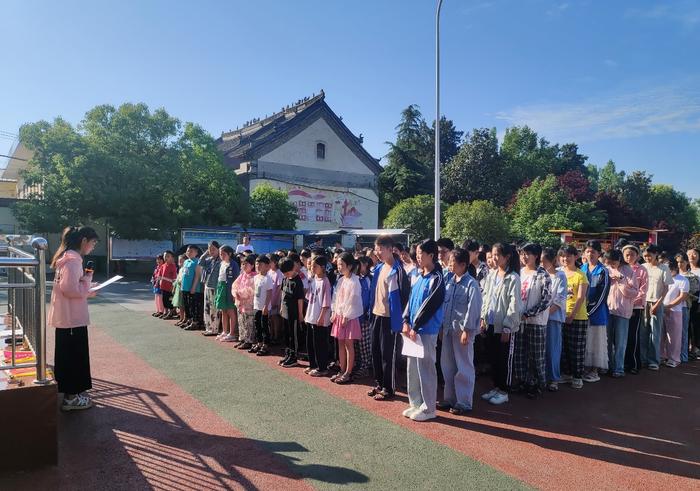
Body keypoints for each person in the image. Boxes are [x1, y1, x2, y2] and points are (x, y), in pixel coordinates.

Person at [48, 226, 99, 411]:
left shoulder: (67, 258)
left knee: (68, 356)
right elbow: (70, 290)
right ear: (84, 240)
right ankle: (71, 398)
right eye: (93, 243)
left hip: (67, 317)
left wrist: (86, 283)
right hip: (72, 318)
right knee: (74, 357)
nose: (92, 247)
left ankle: (72, 394)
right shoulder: (73, 261)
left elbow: (71, 287)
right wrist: (88, 289)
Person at [402, 239, 445, 421]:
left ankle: (428, 408)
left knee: (426, 368)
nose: (418, 257)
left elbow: (430, 305)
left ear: (431, 255)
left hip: (426, 331)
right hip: (413, 331)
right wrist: (405, 320)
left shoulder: (437, 279)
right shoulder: (419, 276)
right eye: (417, 253)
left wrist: (416, 325)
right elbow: (411, 301)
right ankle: (415, 403)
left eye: (421, 253)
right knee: (413, 367)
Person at [438, 248, 482, 415]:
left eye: (452, 263)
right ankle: (449, 398)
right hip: (448, 329)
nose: (449, 266)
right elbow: (444, 305)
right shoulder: (449, 281)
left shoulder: (471, 284)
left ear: (463, 265)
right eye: (449, 263)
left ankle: (464, 402)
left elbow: (474, 309)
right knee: (447, 365)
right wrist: (442, 327)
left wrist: (467, 330)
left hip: (462, 331)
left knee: (464, 366)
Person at [367, 235, 410, 401]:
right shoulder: (379, 268)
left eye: (380, 249)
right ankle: (379, 384)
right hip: (376, 314)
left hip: (390, 318)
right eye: (376, 249)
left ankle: (388, 388)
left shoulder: (398, 270)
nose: (377, 252)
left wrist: (400, 320)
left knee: (388, 354)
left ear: (390, 249)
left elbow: (404, 296)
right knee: (375, 350)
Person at [480, 243, 523, 405]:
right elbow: (486, 298)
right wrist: (483, 318)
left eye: (498, 255)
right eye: (493, 254)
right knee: (493, 358)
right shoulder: (491, 275)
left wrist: (508, 326)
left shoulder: (513, 278)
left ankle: (504, 390)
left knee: (504, 358)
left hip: (504, 327)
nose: (495, 258)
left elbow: (514, 305)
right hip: (491, 324)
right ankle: (496, 387)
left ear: (507, 257)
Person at [515, 243, 552, 399]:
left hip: (536, 322)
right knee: (520, 352)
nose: (524, 257)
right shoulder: (519, 272)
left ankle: (536, 383)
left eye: (527, 254)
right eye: (522, 253)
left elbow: (546, 300)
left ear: (536, 256)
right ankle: (522, 380)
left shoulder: (543, 275)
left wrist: (529, 313)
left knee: (535, 354)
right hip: (519, 320)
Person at [331, 253, 364, 384]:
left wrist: (347, 315)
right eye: (338, 264)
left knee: (349, 344)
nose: (339, 267)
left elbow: (353, 300)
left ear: (349, 266)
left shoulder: (355, 280)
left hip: (349, 317)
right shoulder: (340, 280)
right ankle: (342, 369)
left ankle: (348, 372)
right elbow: (336, 297)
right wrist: (334, 312)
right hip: (340, 315)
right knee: (340, 343)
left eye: (342, 265)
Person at [605, 249, 639, 377]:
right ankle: (608, 365)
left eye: (613, 262)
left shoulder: (628, 271)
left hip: (622, 311)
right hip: (608, 309)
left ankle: (619, 368)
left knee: (620, 341)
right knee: (607, 340)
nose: (611, 265)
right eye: (609, 263)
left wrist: (621, 280)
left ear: (619, 259)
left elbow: (635, 292)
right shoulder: (606, 269)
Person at [559, 245, 589, 389]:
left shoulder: (580, 274)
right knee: (563, 347)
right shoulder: (559, 273)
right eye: (563, 256)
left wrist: (572, 315)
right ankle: (567, 373)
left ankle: (577, 376)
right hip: (560, 316)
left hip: (578, 317)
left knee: (576, 348)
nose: (565, 259)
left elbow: (580, 298)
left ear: (575, 257)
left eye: (568, 256)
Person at [581, 240, 610, 382]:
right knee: (585, 341)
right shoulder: (581, 268)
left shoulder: (603, 270)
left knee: (596, 341)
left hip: (597, 313)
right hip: (581, 312)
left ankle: (594, 370)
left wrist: (589, 310)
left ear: (599, 253)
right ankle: (585, 368)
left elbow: (602, 295)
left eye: (593, 251)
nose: (590, 254)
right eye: (587, 251)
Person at [641, 245, 674, 371]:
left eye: (649, 255)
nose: (647, 258)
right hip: (643, 303)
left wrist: (657, 304)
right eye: (645, 256)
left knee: (655, 332)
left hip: (656, 303)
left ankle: (654, 360)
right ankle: (642, 358)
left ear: (656, 254)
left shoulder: (663, 268)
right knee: (643, 332)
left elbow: (666, 289)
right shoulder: (643, 267)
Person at [302, 256, 333, 376]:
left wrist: (321, 317)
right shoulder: (314, 279)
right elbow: (309, 298)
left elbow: (326, 302)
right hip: (311, 315)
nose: (312, 268)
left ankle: (322, 367)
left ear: (323, 267)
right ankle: (313, 364)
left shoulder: (325, 281)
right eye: (311, 266)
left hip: (320, 317)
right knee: (310, 342)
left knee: (319, 343)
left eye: (315, 266)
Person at [541, 247, 567, 392]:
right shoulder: (541, 275)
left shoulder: (560, 276)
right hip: (540, 318)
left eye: (544, 261)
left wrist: (545, 314)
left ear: (552, 260)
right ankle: (542, 376)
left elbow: (559, 300)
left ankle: (553, 378)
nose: (542, 264)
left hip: (553, 318)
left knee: (553, 349)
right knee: (541, 349)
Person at [622, 244, 648, 374]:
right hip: (620, 307)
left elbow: (642, 291)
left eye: (632, 254)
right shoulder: (620, 268)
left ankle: (634, 364)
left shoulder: (642, 270)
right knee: (621, 337)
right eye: (626, 254)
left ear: (637, 256)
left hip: (635, 308)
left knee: (633, 336)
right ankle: (622, 363)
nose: (629, 257)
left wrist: (632, 305)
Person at [661, 259, 689, 368]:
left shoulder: (683, 280)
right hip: (660, 310)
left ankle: (674, 358)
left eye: (669, 268)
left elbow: (683, 296)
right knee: (660, 335)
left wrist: (669, 306)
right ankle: (661, 356)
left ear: (674, 268)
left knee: (674, 336)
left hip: (675, 311)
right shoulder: (663, 279)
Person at [279, 257, 306, 368]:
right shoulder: (285, 279)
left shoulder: (297, 281)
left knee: (293, 335)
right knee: (286, 334)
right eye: (284, 273)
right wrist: (281, 307)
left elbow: (300, 299)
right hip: (285, 310)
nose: (286, 275)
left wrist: (300, 314)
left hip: (294, 312)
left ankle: (294, 357)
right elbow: (283, 293)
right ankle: (288, 354)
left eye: (287, 272)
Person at [215, 246, 240, 343]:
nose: (221, 256)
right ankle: (225, 331)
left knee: (230, 311)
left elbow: (236, 279)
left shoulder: (233, 264)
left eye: (223, 254)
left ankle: (232, 333)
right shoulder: (221, 263)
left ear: (229, 254)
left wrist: (234, 293)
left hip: (229, 289)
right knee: (223, 311)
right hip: (221, 287)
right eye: (220, 254)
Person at [232, 255, 257, 349]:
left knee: (249, 322)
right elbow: (235, 285)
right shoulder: (242, 275)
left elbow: (251, 289)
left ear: (252, 265)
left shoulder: (254, 276)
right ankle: (242, 338)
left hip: (249, 303)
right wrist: (235, 293)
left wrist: (240, 294)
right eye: (243, 264)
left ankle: (249, 340)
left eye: (246, 264)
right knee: (241, 320)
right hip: (240, 302)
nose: (244, 266)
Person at [200, 241, 222, 337]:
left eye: (213, 249)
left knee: (214, 309)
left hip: (215, 287)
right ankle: (208, 327)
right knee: (206, 308)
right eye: (209, 248)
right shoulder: (209, 260)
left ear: (218, 249)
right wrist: (205, 253)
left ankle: (214, 329)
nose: (211, 251)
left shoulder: (220, 261)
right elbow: (200, 262)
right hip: (207, 286)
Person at [252, 255, 273, 355]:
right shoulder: (256, 277)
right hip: (256, 305)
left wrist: (266, 306)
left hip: (264, 307)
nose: (258, 266)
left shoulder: (267, 278)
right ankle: (259, 342)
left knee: (264, 326)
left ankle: (266, 345)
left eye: (260, 264)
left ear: (267, 266)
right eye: (256, 264)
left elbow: (269, 293)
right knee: (257, 325)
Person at [180, 246, 203, 330]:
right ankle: (189, 320)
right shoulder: (186, 261)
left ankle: (195, 322)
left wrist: (193, 287)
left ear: (196, 253)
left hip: (193, 289)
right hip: (184, 288)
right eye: (188, 251)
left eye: (191, 251)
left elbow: (197, 276)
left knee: (193, 306)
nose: (189, 252)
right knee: (187, 306)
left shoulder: (197, 262)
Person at [267, 253, 284, 344]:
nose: (269, 264)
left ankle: (276, 336)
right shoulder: (269, 272)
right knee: (270, 318)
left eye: (270, 262)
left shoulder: (279, 273)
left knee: (275, 317)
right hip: (269, 299)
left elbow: (279, 288)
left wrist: (275, 301)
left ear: (275, 262)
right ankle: (272, 334)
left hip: (275, 299)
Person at [687, 248, 700, 359]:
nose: (692, 256)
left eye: (694, 254)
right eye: (689, 254)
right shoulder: (684, 269)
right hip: (685, 302)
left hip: (697, 302)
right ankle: (686, 349)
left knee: (695, 326)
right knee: (686, 325)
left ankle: (695, 348)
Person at [159, 251, 178, 320]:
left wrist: (172, 287)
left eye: (167, 256)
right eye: (164, 256)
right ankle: (165, 312)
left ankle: (171, 313)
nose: (165, 257)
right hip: (163, 287)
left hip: (170, 288)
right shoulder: (163, 266)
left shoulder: (173, 266)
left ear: (172, 258)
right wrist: (159, 281)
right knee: (164, 300)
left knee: (170, 301)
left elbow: (174, 279)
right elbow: (160, 275)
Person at [172, 254, 188, 326]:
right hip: (179, 288)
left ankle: (185, 319)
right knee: (180, 305)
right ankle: (181, 318)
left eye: (182, 261)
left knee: (184, 305)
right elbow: (178, 279)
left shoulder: (186, 269)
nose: (180, 263)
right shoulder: (180, 269)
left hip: (183, 288)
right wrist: (174, 287)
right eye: (179, 261)